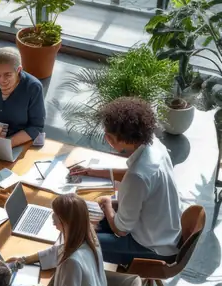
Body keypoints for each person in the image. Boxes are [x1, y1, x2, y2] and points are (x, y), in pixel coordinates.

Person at [69, 97, 182, 266]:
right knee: (82, 222)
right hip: (165, 234)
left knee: (76, 243)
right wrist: (94, 172)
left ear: (111, 139)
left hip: (152, 250)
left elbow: (121, 230)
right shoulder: (155, 146)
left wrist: (107, 203)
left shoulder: (138, 176)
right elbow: (133, 176)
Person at [8, 193, 107, 286]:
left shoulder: (72, 261)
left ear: (66, 221)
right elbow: (57, 252)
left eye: (55, 214)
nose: (52, 218)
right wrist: (25, 259)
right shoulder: (89, 240)